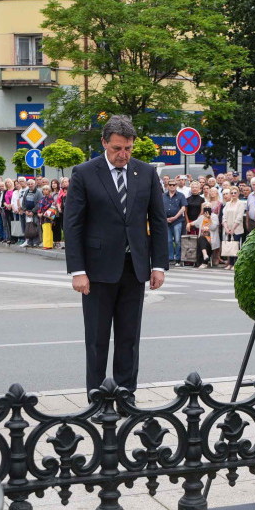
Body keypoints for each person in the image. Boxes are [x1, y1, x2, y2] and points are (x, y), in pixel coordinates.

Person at [64, 114, 167, 398]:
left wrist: (158, 265)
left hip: (134, 268)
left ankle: (125, 394)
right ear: (104, 143)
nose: (123, 155)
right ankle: (97, 396)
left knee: (128, 338)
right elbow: (73, 225)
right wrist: (77, 270)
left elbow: (157, 221)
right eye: (117, 148)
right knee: (96, 339)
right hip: (96, 272)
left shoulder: (145, 173)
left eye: (128, 149)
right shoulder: (84, 173)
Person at [162, 178, 186, 266]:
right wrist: (165, 218)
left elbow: (183, 208)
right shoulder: (163, 196)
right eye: (170, 185)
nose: (172, 186)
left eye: (174, 185)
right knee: (168, 241)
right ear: (167, 186)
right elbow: (159, 208)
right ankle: (170, 257)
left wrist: (175, 217)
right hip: (166, 221)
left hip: (177, 220)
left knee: (177, 240)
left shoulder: (181, 195)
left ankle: (178, 259)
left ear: (176, 186)